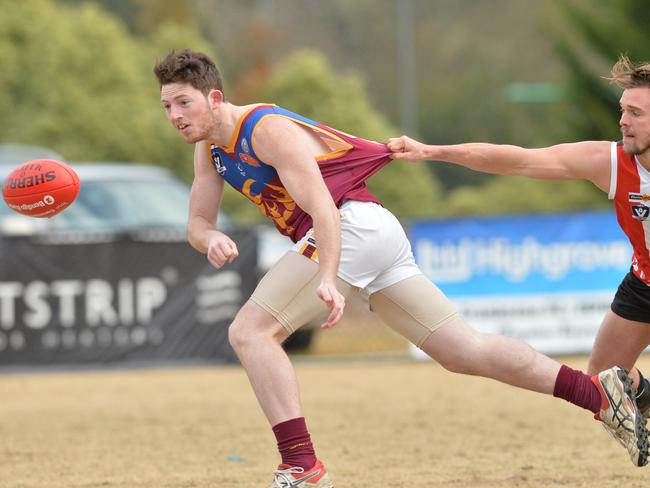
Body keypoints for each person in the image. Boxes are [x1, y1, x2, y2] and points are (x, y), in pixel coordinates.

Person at [153, 49, 647, 487]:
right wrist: (210, 236)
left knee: (251, 333)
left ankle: (301, 465)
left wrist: (327, 276)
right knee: (463, 350)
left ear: (214, 97)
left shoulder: (265, 129)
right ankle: (600, 397)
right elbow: (197, 221)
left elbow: (323, 210)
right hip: (369, 232)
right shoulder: (210, 150)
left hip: (351, 228)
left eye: (184, 103)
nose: (175, 115)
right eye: (167, 106)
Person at [388, 52, 650, 457]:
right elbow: (520, 161)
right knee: (601, 380)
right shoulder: (610, 161)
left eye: (635, 113)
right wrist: (431, 151)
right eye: (622, 111)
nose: (623, 121)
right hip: (643, 284)